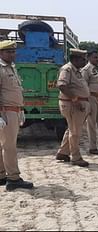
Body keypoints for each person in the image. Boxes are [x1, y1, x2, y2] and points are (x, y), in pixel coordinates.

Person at [0, 40, 34, 191]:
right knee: (9, 146)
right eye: (9, 52)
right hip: (5, 111)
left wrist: (20, 110)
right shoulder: (1, 69)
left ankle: (2, 175)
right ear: (1, 53)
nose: (12, 54)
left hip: (13, 110)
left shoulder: (10, 68)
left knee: (4, 145)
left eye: (13, 51)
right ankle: (13, 178)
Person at [55, 48, 90, 167]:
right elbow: (61, 85)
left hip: (78, 104)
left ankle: (63, 152)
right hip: (72, 105)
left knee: (72, 129)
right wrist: (74, 99)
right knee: (75, 132)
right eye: (83, 59)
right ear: (75, 59)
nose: (85, 62)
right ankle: (76, 157)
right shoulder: (67, 69)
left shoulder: (77, 71)